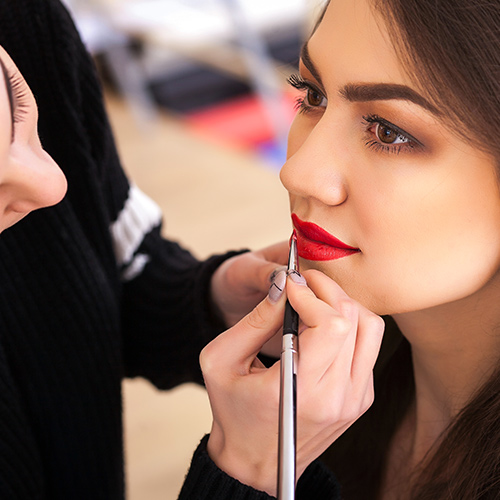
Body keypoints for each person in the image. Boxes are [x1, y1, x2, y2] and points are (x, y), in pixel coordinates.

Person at [193, 0, 500, 498]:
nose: (297, 172)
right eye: (311, 95)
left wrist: (247, 474)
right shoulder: (316, 390)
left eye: (388, 131)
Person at [0, 1, 293, 498]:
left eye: (18, 101)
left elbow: (115, 259)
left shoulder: (24, 22)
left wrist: (212, 302)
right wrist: (245, 475)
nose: (53, 186)